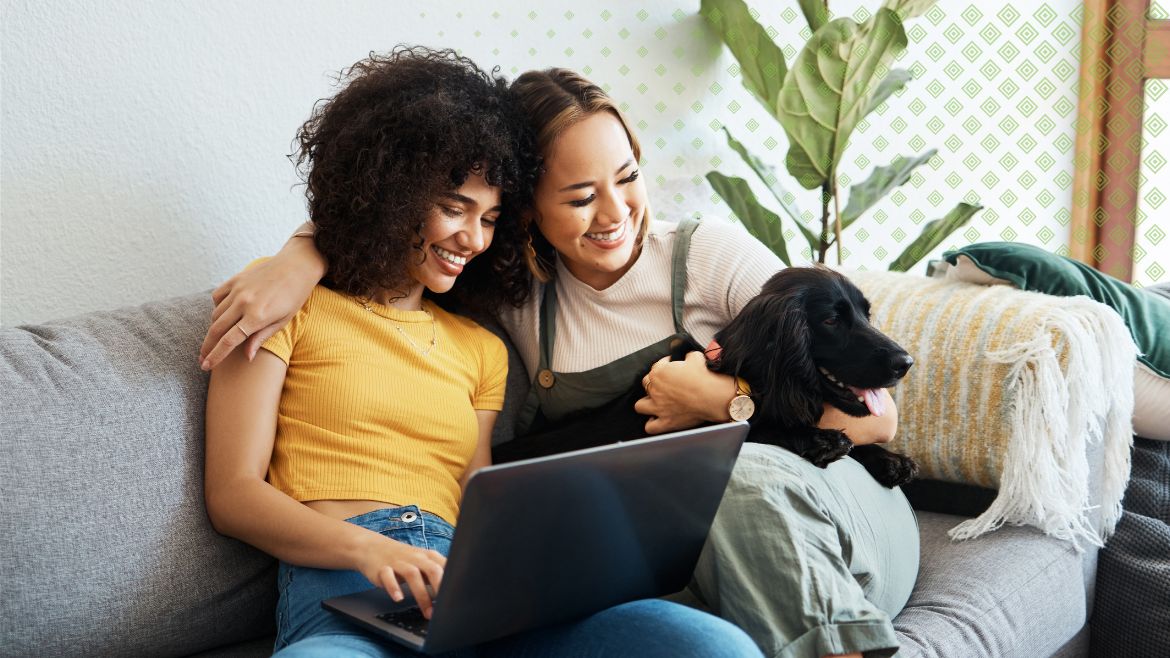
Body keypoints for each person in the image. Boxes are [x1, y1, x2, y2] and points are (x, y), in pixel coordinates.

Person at [202, 64, 919, 658]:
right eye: (579, 196)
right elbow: (233, 494)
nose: (473, 240)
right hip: (345, 591)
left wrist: (726, 407)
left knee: (708, 643)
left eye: (486, 219)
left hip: (480, 585)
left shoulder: (486, 339)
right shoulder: (284, 307)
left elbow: (481, 489)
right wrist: (296, 255)